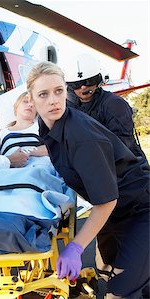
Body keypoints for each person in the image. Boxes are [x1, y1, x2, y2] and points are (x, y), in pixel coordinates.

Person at [28, 61, 149, 298]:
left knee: (121, 292)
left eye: (58, 91)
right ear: (31, 100)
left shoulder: (82, 137)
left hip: (139, 210)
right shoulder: (48, 125)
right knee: (105, 271)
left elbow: (106, 201)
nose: (53, 100)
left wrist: (75, 247)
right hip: (115, 212)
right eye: (43, 94)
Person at [66, 53, 148, 166]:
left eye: (89, 81)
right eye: (77, 84)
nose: (83, 87)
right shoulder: (69, 107)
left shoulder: (114, 105)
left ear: (99, 80)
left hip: (127, 170)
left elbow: (122, 147)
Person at [0, 91, 48, 160]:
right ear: (16, 107)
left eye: (34, 104)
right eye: (25, 101)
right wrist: (11, 160)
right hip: (10, 169)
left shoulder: (42, 126)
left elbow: (54, 147)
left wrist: (28, 152)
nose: (30, 105)